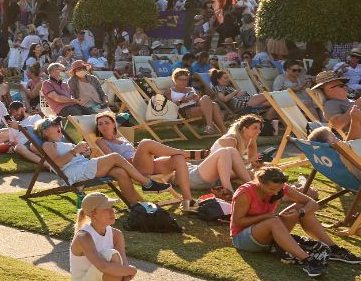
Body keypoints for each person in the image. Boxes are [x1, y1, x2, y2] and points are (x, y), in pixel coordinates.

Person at [69, 192, 199, 281]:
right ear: (93, 214)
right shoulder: (83, 237)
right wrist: (132, 271)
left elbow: (123, 267)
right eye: (106, 209)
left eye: (112, 207)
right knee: (110, 255)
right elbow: (104, 267)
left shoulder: (116, 234)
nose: (112, 211)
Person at [91, 110, 246, 211]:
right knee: (145, 143)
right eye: (100, 124)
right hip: (132, 168)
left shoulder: (121, 139)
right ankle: (187, 153)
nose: (103, 126)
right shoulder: (101, 141)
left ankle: (187, 201)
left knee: (177, 159)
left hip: (146, 164)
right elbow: (113, 160)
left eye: (107, 122)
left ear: (113, 124)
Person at [229, 167, 355, 278]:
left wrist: (300, 213)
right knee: (274, 221)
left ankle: (333, 249)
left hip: (268, 233)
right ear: (259, 182)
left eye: (279, 189)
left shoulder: (280, 188)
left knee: (302, 208)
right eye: (271, 189)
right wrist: (267, 216)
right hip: (243, 239)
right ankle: (307, 260)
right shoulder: (245, 193)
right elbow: (238, 222)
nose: (276, 193)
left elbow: (313, 204)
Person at [35, 117, 169, 204]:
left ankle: (135, 207)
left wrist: (83, 152)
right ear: (46, 131)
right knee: (115, 157)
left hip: (83, 166)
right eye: (55, 125)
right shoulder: (48, 145)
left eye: (59, 124)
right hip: (75, 172)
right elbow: (58, 163)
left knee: (120, 171)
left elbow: (72, 157)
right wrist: (75, 151)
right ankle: (147, 183)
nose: (59, 127)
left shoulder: (61, 144)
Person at [169, 69, 224, 133]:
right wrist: (182, 100)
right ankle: (222, 130)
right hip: (183, 111)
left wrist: (197, 99)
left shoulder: (191, 89)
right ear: (174, 79)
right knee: (214, 106)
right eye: (180, 79)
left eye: (185, 80)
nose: (183, 82)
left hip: (197, 107)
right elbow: (169, 106)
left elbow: (202, 102)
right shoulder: (170, 91)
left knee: (206, 98)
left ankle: (210, 126)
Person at [312, 71, 361, 138]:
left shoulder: (349, 101)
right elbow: (338, 125)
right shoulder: (330, 104)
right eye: (341, 86)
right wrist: (357, 104)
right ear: (328, 89)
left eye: (345, 85)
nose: (345, 87)